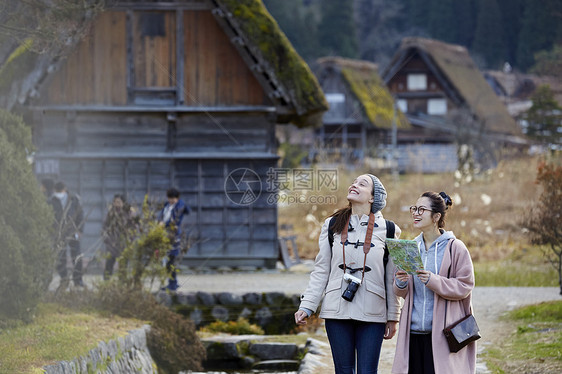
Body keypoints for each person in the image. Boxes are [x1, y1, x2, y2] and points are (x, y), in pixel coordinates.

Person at [295, 174, 402, 374]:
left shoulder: (389, 230)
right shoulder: (331, 225)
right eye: (353, 182)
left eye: (362, 184)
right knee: (343, 370)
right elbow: (321, 270)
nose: (354, 185)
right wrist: (307, 305)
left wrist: (393, 316)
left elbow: (391, 277)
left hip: (373, 310)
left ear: (373, 197)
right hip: (337, 307)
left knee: (367, 371)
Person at [392, 191, 477, 374]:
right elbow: (403, 292)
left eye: (421, 209)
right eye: (414, 208)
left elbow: (465, 285)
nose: (415, 213)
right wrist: (400, 283)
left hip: (443, 335)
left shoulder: (455, 248)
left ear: (436, 216)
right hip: (413, 332)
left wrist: (433, 280)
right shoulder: (410, 248)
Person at [51, 181, 85, 290]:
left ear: (65, 189)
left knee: (77, 256)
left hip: (72, 232)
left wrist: (80, 230)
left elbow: (80, 215)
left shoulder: (73, 200)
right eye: (57, 191)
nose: (58, 193)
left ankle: (78, 280)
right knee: (60, 257)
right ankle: (64, 279)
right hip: (59, 234)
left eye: (60, 191)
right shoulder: (51, 201)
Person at [157, 187, 191, 291]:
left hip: (173, 235)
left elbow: (178, 217)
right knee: (166, 260)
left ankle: (172, 283)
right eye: (169, 198)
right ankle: (172, 282)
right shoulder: (167, 206)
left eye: (173, 198)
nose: (171, 200)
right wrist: (159, 222)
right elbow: (161, 215)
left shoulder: (179, 205)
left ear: (177, 198)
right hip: (164, 234)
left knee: (171, 259)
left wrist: (164, 224)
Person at [102, 194, 136, 280]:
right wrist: (106, 238)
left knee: (123, 267)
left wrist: (130, 239)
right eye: (115, 202)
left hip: (124, 244)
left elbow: (133, 228)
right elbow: (105, 226)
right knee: (109, 265)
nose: (116, 204)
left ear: (123, 203)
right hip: (112, 244)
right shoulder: (110, 213)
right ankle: (106, 283)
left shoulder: (129, 213)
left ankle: (122, 285)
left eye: (118, 202)